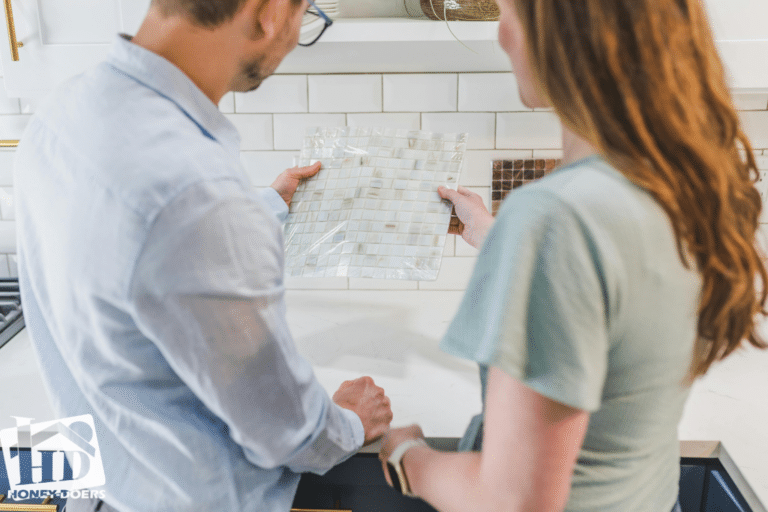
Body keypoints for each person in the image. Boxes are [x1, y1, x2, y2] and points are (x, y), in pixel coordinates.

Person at [379, 0, 767, 511]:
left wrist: (405, 455)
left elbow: (511, 503)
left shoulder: (554, 219)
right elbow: (608, 284)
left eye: (510, 11)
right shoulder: (687, 185)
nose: (501, 35)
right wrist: (498, 237)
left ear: (562, 34)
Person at [14, 1, 392, 511]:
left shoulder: (62, 113)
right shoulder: (197, 193)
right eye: (306, 15)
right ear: (270, 12)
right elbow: (286, 433)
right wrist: (347, 420)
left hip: (97, 487)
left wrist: (262, 207)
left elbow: (137, 249)